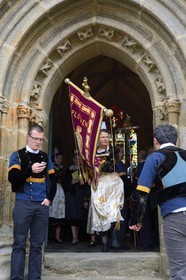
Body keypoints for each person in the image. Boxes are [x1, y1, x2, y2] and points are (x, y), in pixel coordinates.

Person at [129, 124, 186, 279]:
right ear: (177, 139)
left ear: (155, 141)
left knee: (180, 272)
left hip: (175, 218)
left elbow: (142, 191)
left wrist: (136, 219)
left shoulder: (155, 157)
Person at [8, 124, 57, 280]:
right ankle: (16, 277)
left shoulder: (45, 157)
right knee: (19, 243)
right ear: (28, 137)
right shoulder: (17, 155)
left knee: (37, 245)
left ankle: (35, 278)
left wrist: (49, 199)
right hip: (23, 204)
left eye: (40, 140)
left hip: (41, 206)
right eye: (35, 139)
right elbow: (13, 178)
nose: (37, 142)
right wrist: (30, 170)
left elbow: (53, 180)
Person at [88, 129, 124, 252]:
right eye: (102, 137)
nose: (104, 139)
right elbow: (90, 168)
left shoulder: (114, 150)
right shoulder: (93, 152)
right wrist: (91, 176)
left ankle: (113, 238)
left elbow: (112, 164)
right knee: (101, 212)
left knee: (113, 211)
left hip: (112, 181)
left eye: (106, 136)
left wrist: (103, 163)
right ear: (98, 138)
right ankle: (104, 243)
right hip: (100, 183)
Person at [64, 152, 88, 245]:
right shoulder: (69, 170)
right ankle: (74, 237)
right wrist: (73, 181)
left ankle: (77, 236)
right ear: (73, 160)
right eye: (76, 159)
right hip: (72, 195)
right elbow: (65, 183)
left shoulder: (84, 170)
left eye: (79, 159)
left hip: (80, 195)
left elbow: (86, 185)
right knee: (73, 217)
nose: (78, 161)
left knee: (79, 217)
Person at [49, 152, 65, 243]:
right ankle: (49, 236)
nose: (60, 160)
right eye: (59, 158)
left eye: (61, 158)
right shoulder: (51, 168)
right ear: (54, 159)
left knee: (59, 213)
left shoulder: (63, 169)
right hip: (53, 189)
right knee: (51, 212)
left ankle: (57, 236)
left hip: (60, 190)